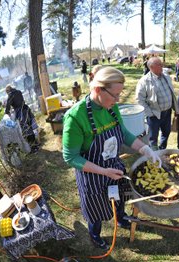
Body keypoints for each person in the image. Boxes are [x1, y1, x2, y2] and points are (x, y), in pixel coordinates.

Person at [62, 67, 161, 250]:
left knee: (120, 196)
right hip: (92, 173)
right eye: (115, 95)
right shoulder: (76, 117)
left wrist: (145, 149)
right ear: (98, 89)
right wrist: (102, 171)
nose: (117, 100)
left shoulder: (111, 106)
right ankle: (95, 234)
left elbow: (122, 133)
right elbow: (70, 157)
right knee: (96, 208)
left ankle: (121, 218)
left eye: (119, 95)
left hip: (113, 165)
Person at [136, 57, 179, 150]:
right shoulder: (144, 81)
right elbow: (140, 100)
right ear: (152, 67)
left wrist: (175, 108)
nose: (162, 66)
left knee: (166, 132)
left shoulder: (166, 76)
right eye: (159, 64)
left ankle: (162, 149)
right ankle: (154, 155)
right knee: (153, 137)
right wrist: (150, 114)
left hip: (167, 112)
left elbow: (171, 92)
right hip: (154, 114)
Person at [4, 84, 39, 152]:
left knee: (26, 129)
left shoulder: (11, 95)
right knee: (30, 126)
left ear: (8, 91)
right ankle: (35, 144)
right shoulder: (18, 91)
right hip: (26, 109)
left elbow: (8, 105)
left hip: (21, 112)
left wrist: (6, 113)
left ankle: (33, 148)